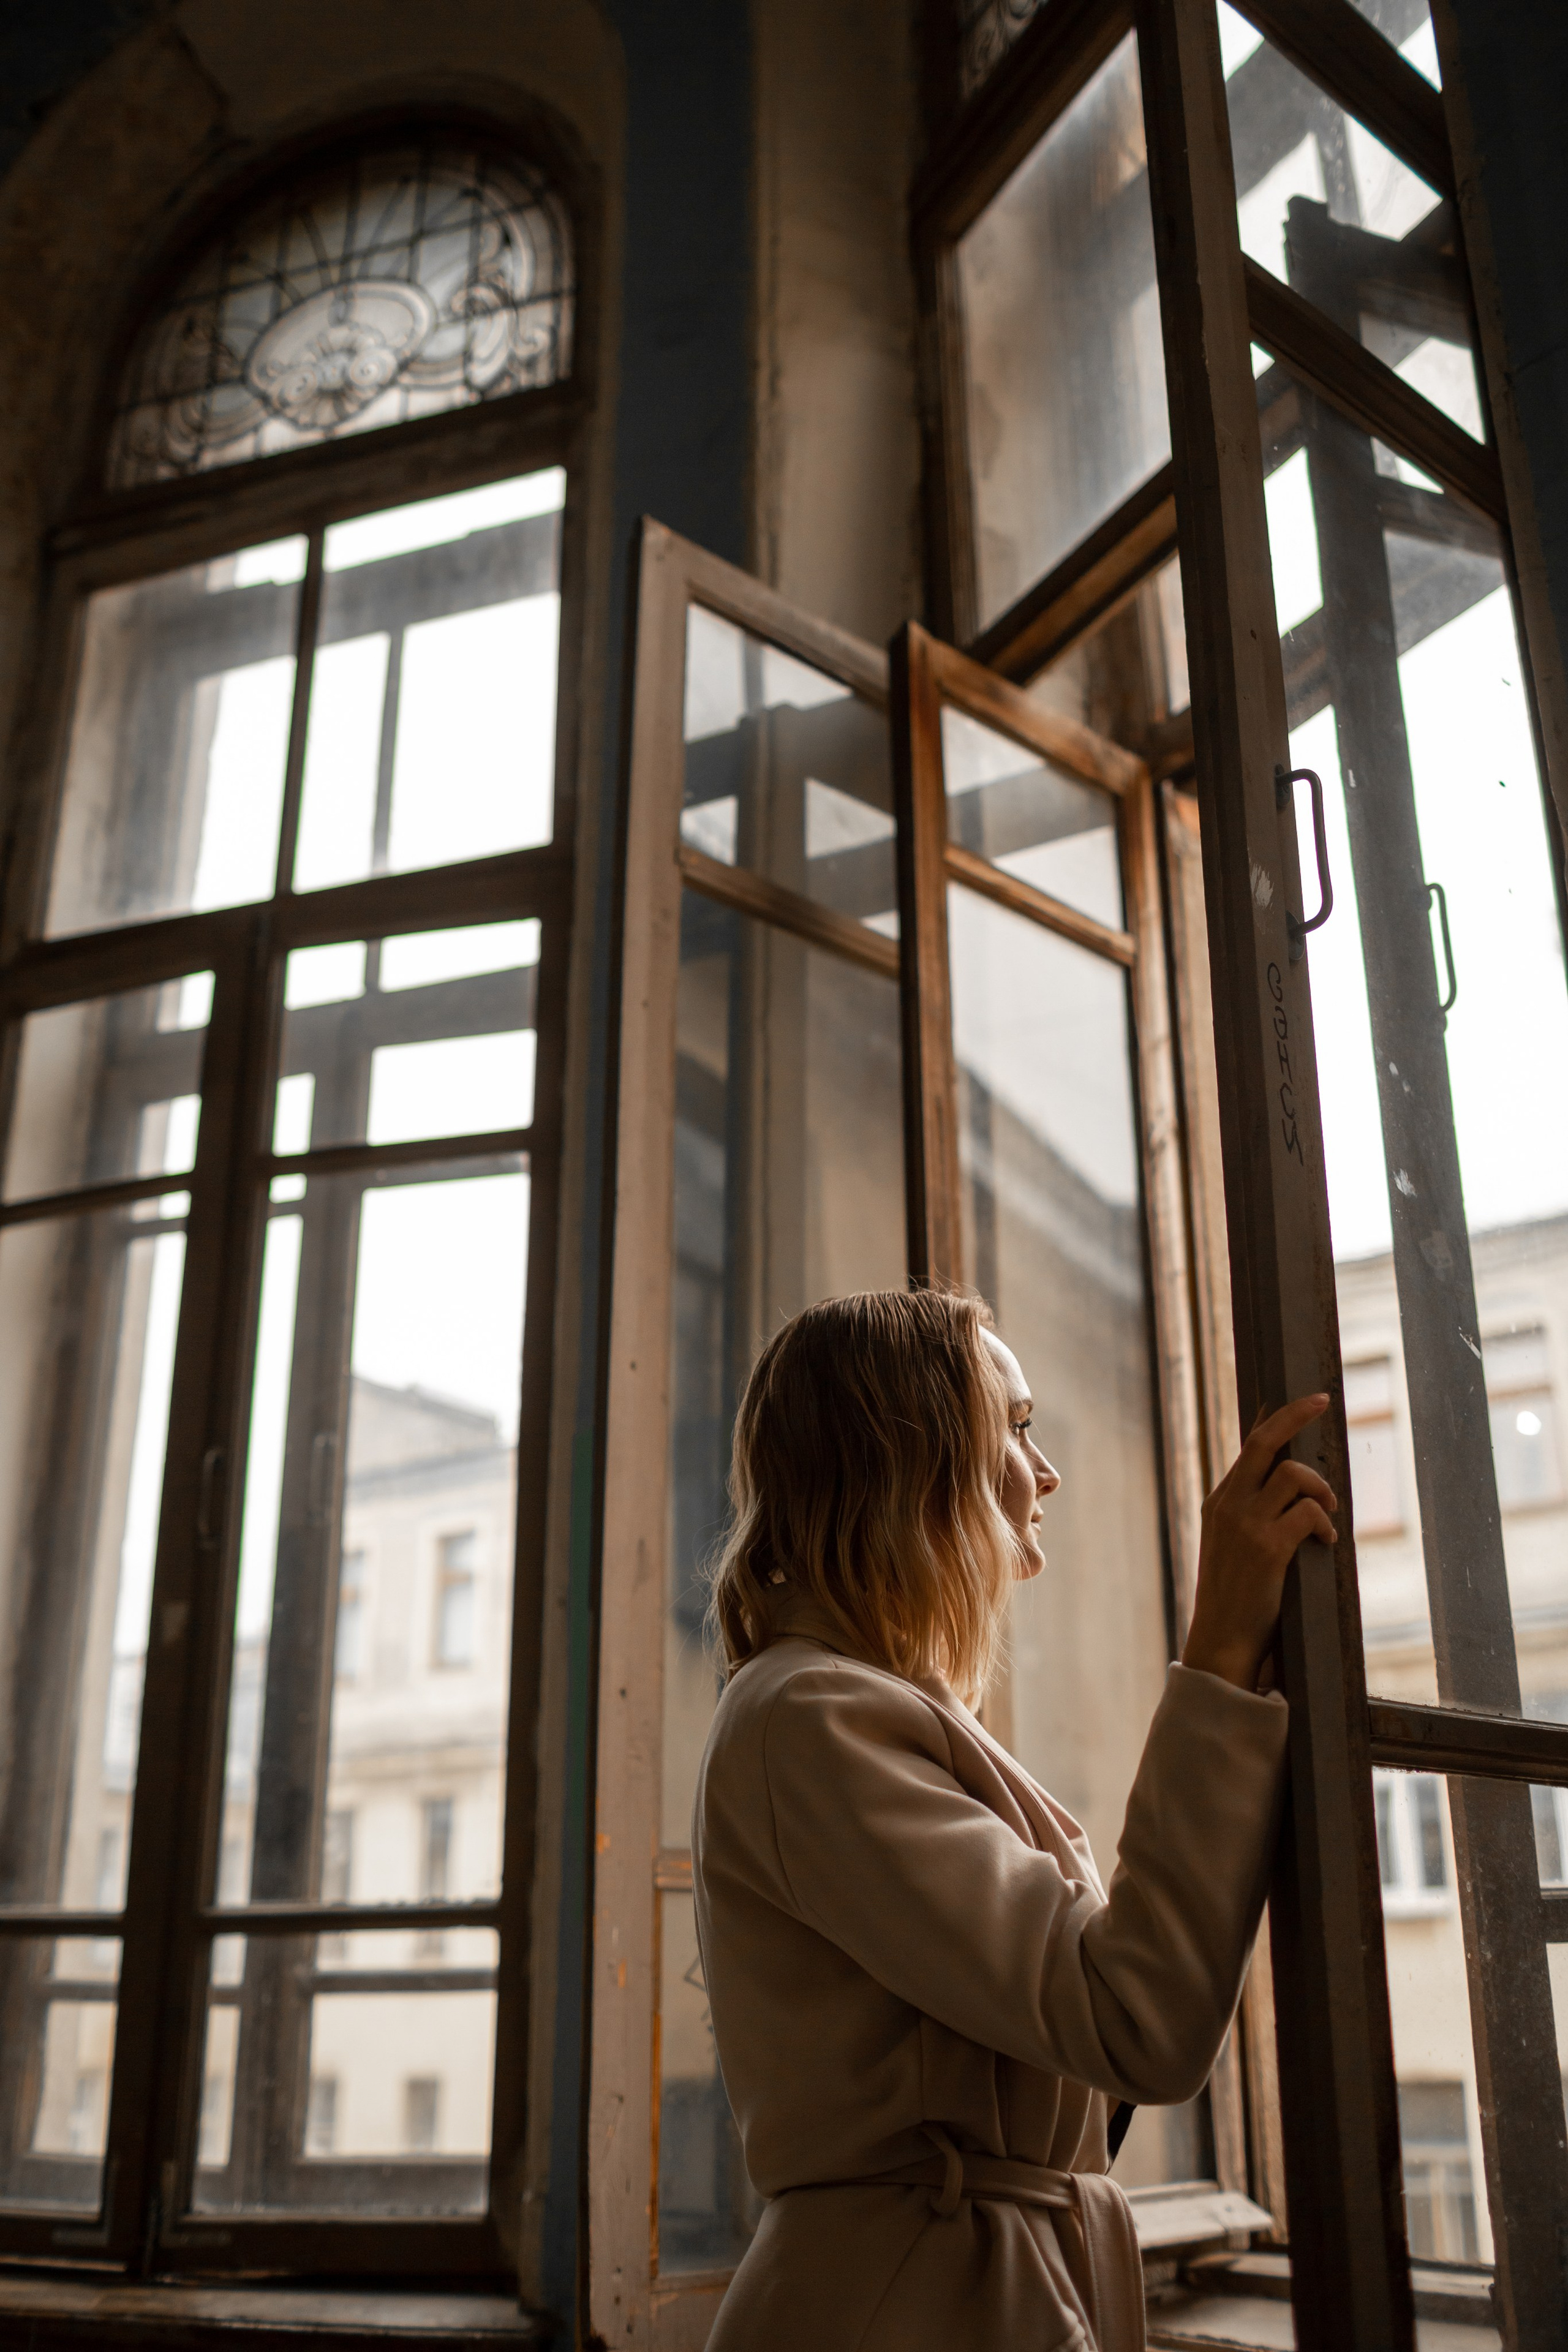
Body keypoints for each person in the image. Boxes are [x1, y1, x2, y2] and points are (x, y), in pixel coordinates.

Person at [692, 1287, 1335, 2352]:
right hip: (901, 2310)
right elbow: (1139, 2018)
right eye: (1018, 1427)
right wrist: (1219, 1654)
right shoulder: (808, 1716)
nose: (1047, 1472)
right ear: (914, 1455)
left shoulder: (861, 1710)